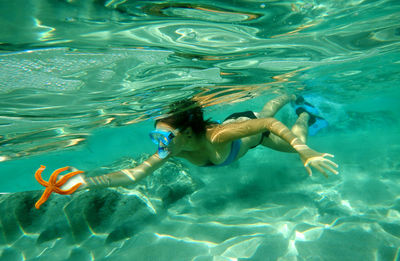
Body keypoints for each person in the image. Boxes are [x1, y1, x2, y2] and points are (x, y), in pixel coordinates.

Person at [34, 94, 338, 208]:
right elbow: (133, 175)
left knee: (273, 120)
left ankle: (301, 109)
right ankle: (287, 99)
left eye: (163, 136)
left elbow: (269, 123)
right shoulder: (171, 150)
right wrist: (84, 181)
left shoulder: (219, 134)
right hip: (249, 139)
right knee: (265, 111)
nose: (159, 144)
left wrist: (303, 152)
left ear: (188, 132)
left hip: (251, 129)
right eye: (156, 136)